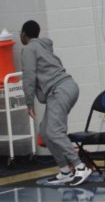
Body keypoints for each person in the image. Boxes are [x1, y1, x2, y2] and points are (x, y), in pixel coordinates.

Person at [20, 20, 91, 187]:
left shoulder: (29, 49)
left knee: (54, 131)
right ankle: (65, 171)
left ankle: (80, 167)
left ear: (24, 34)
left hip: (60, 90)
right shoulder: (44, 46)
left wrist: (29, 103)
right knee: (45, 131)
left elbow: (29, 77)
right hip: (66, 88)